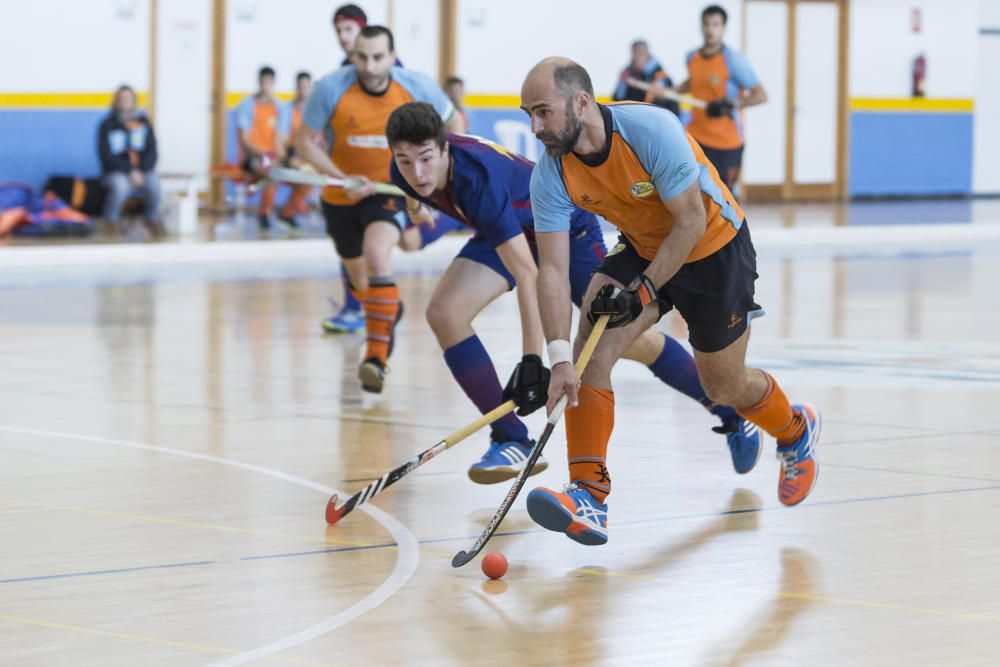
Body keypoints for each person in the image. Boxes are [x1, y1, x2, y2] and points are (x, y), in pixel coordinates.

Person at [519, 57, 820, 546]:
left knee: (723, 386)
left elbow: (690, 223)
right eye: (528, 114)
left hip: (714, 248)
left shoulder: (650, 129)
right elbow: (550, 270)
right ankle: (589, 496)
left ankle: (793, 429)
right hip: (643, 244)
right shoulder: (551, 172)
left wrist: (642, 293)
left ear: (580, 102)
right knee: (588, 349)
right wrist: (557, 359)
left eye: (542, 112)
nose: (535, 127)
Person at [386, 101, 759, 484]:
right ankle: (511, 438)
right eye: (405, 161)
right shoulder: (405, 170)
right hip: (510, 232)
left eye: (427, 159)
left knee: (631, 342)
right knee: (444, 313)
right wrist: (417, 211)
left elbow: (528, 274)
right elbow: (415, 190)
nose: (418, 172)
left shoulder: (477, 180)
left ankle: (730, 413)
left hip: (566, 232)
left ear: (446, 146)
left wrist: (532, 360)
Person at [293, 26, 463, 394]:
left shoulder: (415, 86)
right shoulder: (329, 89)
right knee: (363, 283)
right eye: (361, 57)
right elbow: (304, 142)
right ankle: (388, 311)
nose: (369, 66)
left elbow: (455, 125)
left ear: (392, 55)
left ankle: (375, 358)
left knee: (377, 254)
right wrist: (341, 178)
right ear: (352, 55)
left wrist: (431, 176)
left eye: (377, 57)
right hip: (342, 195)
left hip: (388, 190)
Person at [675, 5, 767, 193]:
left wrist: (732, 103)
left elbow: (761, 95)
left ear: (723, 28)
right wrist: (670, 90)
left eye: (715, 24)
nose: (710, 29)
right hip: (696, 138)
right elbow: (694, 81)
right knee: (694, 194)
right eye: (706, 24)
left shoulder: (733, 60)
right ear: (701, 26)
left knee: (724, 198)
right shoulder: (692, 57)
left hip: (727, 143)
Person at [97, 85, 164, 237]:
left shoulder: (144, 123)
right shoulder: (107, 125)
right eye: (121, 99)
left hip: (142, 171)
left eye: (128, 99)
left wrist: (141, 171)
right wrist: (129, 171)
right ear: (116, 102)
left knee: (155, 184)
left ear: (134, 102)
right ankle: (111, 221)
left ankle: (151, 218)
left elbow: (152, 152)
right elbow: (106, 156)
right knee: (121, 186)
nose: (124, 102)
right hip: (116, 171)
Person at [235, 66, 292, 230]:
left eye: (269, 82)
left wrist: (278, 156)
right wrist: (265, 154)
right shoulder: (247, 105)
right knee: (272, 173)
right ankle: (264, 213)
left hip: (271, 157)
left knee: (288, 171)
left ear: (273, 83)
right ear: (258, 82)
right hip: (253, 156)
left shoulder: (280, 108)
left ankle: (287, 213)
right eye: (263, 82)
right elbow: (245, 139)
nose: (266, 85)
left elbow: (282, 137)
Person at [612, 40, 678, 116]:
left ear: (647, 54)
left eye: (640, 53)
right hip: (632, 118)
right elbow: (617, 99)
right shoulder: (626, 74)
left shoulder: (660, 75)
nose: (637, 57)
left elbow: (669, 102)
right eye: (634, 53)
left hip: (656, 119)